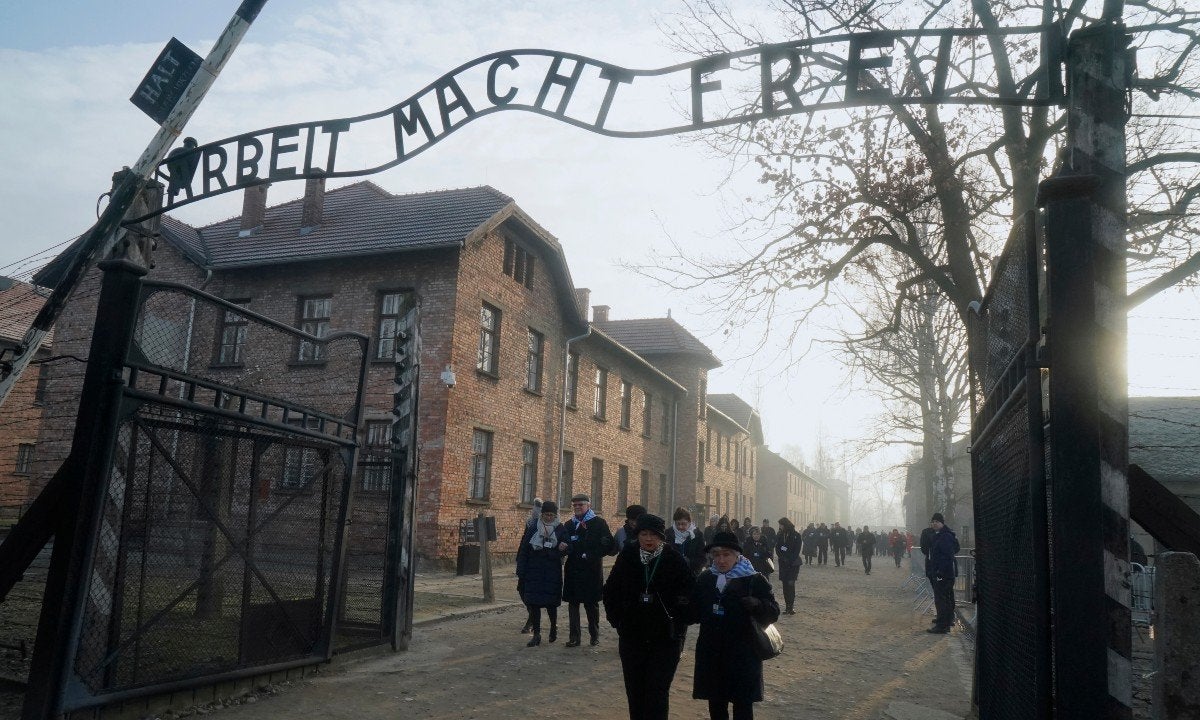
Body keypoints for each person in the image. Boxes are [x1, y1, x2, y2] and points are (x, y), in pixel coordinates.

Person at [603, 514, 695, 720]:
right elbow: (610, 590)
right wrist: (617, 620)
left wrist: (678, 623)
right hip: (632, 637)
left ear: (661, 536)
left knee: (657, 692)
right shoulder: (628, 555)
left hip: (665, 639)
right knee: (635, 692)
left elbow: (690, 594)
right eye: (644, 534)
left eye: (653, 534)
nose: (648, 539)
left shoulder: (674, 558)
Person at [687, 531, 780, 720]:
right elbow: (693, 613)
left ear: (737, 556)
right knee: (716, 705)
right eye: (716, 555)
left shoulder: (754, 579)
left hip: (743, 653)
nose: (721, 560)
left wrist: (758, 604)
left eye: (726, 554)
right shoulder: (706, 579)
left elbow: (774, 612)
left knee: (742, 706)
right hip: (712, 652)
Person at [560, 493, 615, 646]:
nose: (577, 508)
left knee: (591, 604)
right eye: (575, 505)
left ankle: (594, 634)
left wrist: (590, 555)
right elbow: (564, 544)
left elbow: (608, 545)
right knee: (573, 604)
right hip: (573, 569)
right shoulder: (569, 525)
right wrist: (562, 548)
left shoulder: (599, 523)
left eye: (581, 505)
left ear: (588, 506)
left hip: (591, 569)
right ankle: (574, 637)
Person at [516, 500, 563, 646]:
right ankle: (536, 634)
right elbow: (524, 549)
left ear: (555, 516)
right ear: (542, 514)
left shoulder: (560, 528)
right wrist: (521, 569)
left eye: (552, 515)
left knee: (551, 604)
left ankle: (553, 629)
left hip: (551, 573)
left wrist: (563, 548)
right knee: (534, 604)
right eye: (546, 514)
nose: (549, 517)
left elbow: (569, 547)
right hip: (534, 571)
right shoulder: (534, 528)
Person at [926, 513, 960, 633]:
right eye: (933, 521)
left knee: (941, 600)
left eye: (937, 521)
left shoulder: (944, 536)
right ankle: (947, 621)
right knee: (946, 598)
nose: (934, 523)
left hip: (944, 574)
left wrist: (940, 572)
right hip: (945, 573)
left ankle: (942, 625)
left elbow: (947, 556)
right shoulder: (942, 535)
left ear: (942, 523)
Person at [518, 498, 543, 633]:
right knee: (522, 590)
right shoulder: (529, 524)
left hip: (536, 567)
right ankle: (533, 617)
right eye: (534, 508)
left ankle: (532, 620)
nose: (533, 511)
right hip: (525, 564)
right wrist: (520, 562)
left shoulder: (543, 526)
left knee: (532, 594)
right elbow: (523, 545)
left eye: (536, 508)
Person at [774, 518, 802, 614]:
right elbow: (777, 547)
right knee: (785, 585)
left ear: (785, 525)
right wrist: (782, 557)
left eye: (781, 525)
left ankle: (791, 607)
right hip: (783, 563)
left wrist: (789, 559)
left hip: (793, 564)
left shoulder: (796, 535)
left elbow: (797, 550)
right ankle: (787, 606)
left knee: (791, 584)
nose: (780, 527)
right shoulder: (780, 534)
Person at [670, 507, 707, 576]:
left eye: (683, 524)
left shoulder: (697, 535)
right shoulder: (669, 534)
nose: (680, 527)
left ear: (689, 522)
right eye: (678, 524)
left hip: (691, 575)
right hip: (672, 575)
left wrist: (689, 562)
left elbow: (702, 558)